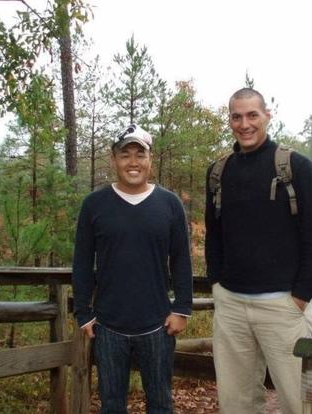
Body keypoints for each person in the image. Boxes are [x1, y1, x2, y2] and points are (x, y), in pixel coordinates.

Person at [205, 88, 312, 414]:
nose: (244, 124)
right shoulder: (219, 173)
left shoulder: (298, 169)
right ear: (230, 120)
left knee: (300, 403)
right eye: (236, 116)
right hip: (231, 306)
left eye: (252, 115)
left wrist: (300, 297)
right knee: (236, 404)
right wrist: (217, 286)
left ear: (267, 116)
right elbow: (214, 234)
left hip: (283, 308)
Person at [72, 124, 193, 414]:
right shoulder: (94, 205)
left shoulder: (169, 204)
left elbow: (181, 260)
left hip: (158, 324)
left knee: (161, 403)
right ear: (114, 159)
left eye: (140, 154)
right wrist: (83, 313)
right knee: (111, 405)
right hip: (108, 326)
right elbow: (82, 262)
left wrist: (182, 308)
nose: (133, 162)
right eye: (125, 155)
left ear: (150, 159)